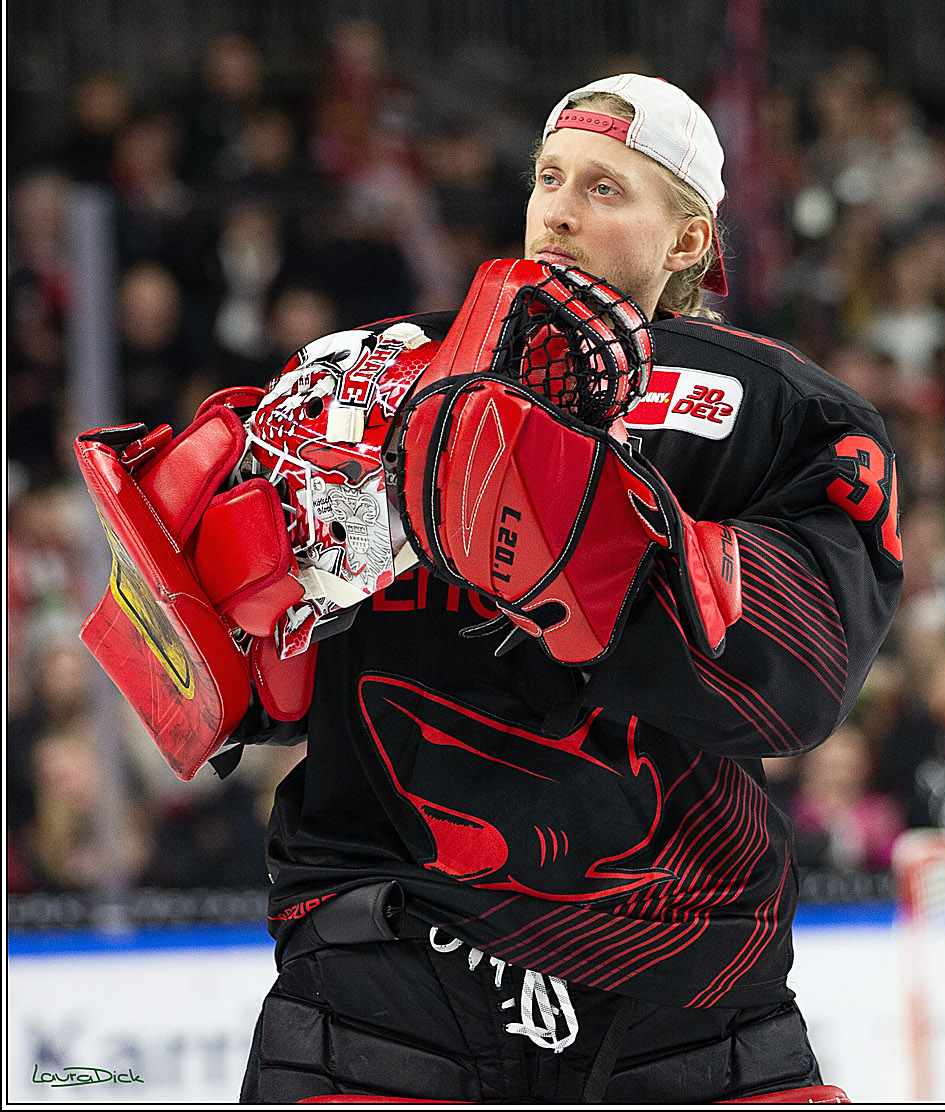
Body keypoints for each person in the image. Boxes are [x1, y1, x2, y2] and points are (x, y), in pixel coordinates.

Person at [79, 74, 900, 1103]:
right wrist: (241, 598)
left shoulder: (780, 408)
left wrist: (576, 520)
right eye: (548, 176)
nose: (557, 206)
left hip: (683, 1002)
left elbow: (797, 673)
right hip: (384, 983)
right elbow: (242, 691)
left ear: (687, 241)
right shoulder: (363, 373)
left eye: (605, 188)